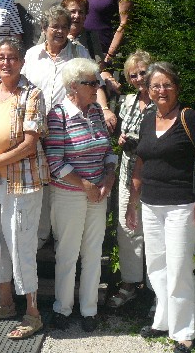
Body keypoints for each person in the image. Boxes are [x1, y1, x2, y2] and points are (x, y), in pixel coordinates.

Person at [126, 62, 195, 353]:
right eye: (156, 85)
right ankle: (163, 321)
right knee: (156, 266)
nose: (161, 90)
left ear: (176, 87)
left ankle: (184, 332)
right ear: (148, 90)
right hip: (150, 204)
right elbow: (140, 161)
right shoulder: (147, 119)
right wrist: (132, 202)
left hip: (182, 205)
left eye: (167, 84)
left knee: (179, 268)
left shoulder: (188, 117)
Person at [0, 37, 49, 340]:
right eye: (1, 57)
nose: (5, 62)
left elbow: (29, 144)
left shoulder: (32, 94)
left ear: (21, 62)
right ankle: (5, 304)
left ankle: (33, 313)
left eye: (12, 57)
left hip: (21, 183)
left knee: (20, 246)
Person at [21, 5, 117, 249]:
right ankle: (41, 237)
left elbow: (94, 83)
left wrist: (104, 108)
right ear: (44, 29)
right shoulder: (31, 55)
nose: (60, 31)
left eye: (64, 27)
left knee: (61, 177)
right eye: (55, 26)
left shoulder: (79, 51)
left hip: (66, 128)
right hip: (35, 127)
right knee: (40, 181)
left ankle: (59, 236)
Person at [43, 58, 117, 332]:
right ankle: (62, 308)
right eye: (92, 83)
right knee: (67, 253)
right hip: (70, 194)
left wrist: (108, 177)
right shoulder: (58, 115)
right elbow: (55, 162)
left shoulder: (96, 111)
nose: (97, 87)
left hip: (98, 192)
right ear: (74, 86)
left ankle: (89, 310)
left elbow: (108, 151)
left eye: (97, 82)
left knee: (93, 252)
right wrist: (85, 184)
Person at [107, 50, 154, 310]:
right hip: (127, 172)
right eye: (133, 75)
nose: (138, 79)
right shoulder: (127, 102)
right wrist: (122, 139)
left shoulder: (162, 100)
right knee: (128, 229)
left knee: (155, 233)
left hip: (154, 176)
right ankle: (130, 283)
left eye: (142, 73)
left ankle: (157, 290)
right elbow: (121, 132)